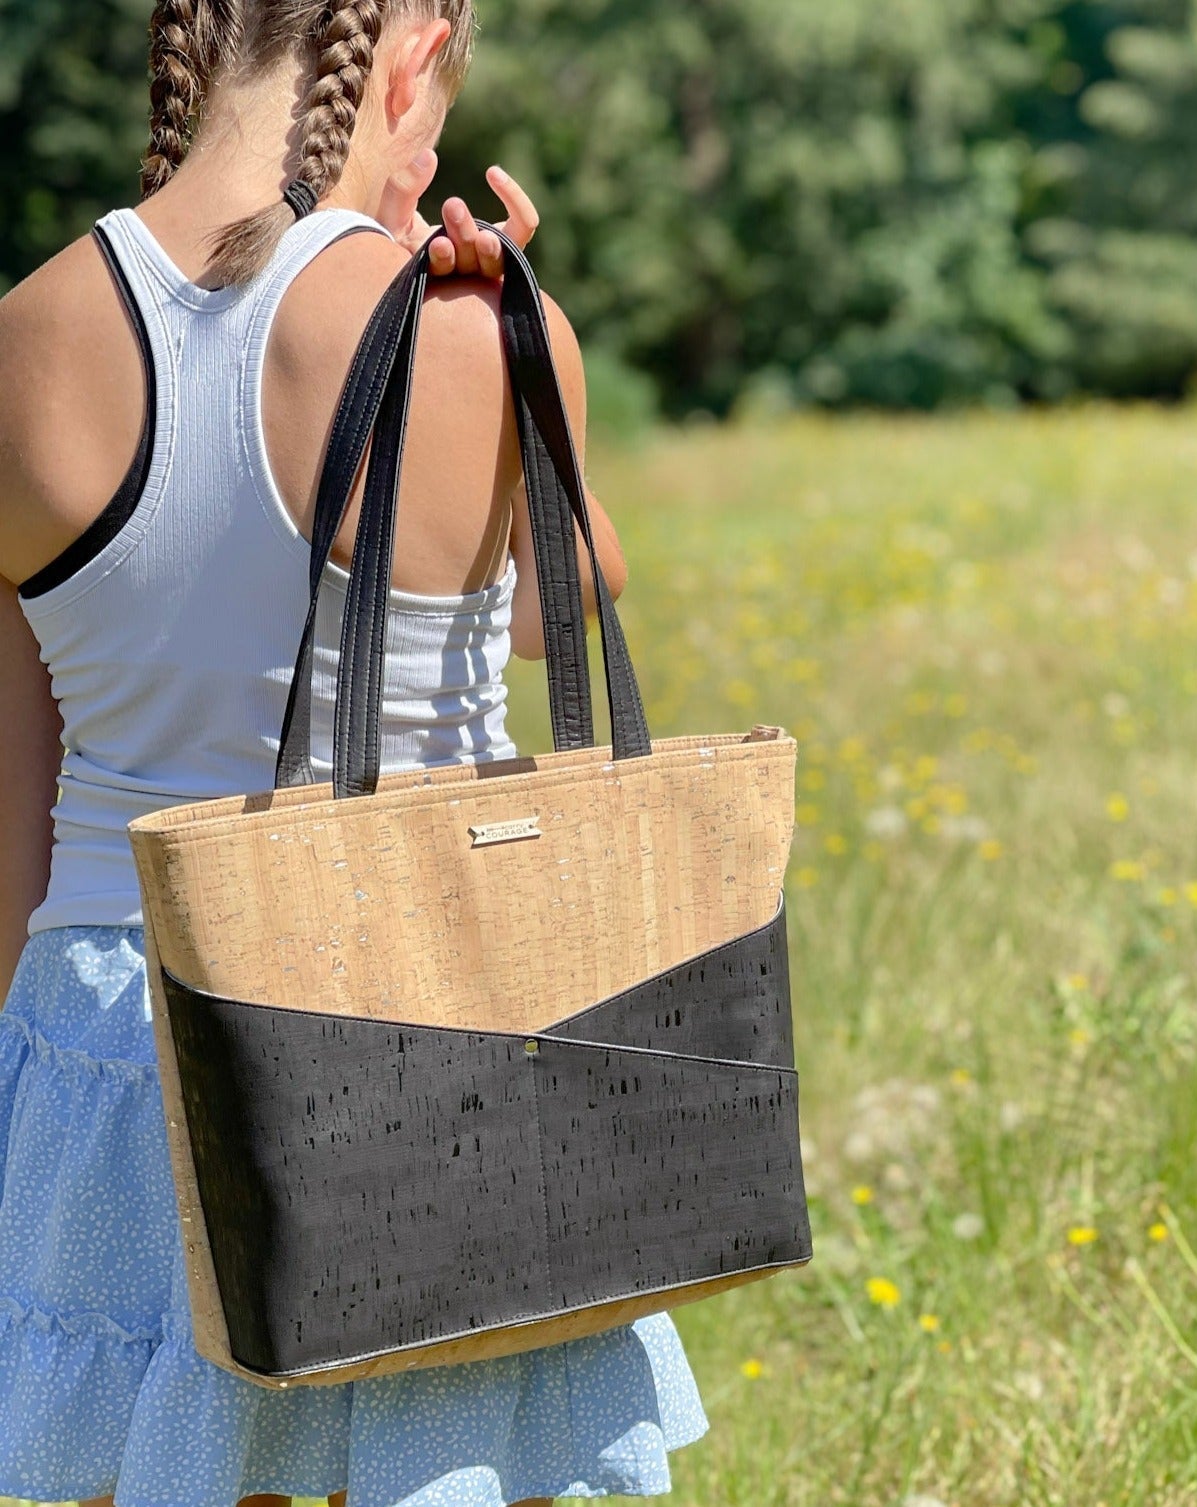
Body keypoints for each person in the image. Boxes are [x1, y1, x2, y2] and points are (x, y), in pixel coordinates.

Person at [0, 3, 709, 1506]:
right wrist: (526, 341)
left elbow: (17, 789)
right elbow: (562, 613)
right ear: (415, 53)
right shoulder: (461, 326)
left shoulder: (24, 337)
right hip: (417, 1004)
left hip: (101, 1041)